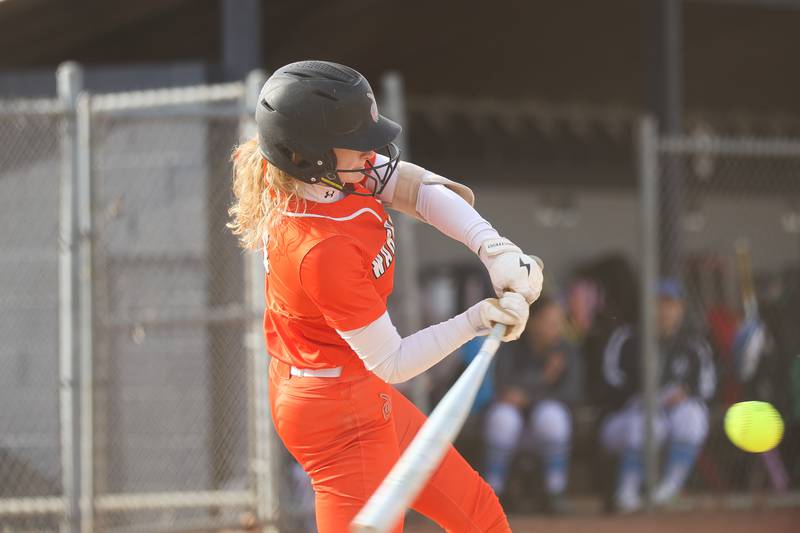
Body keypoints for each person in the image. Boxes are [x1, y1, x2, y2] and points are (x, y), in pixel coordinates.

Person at [227, 61, 543, 532]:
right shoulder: (320, 249)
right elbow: (392, 362)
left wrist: (493, 248)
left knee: (479, 515)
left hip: (353, 385)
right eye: (357, 144)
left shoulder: (331, 177)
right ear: (309, 156)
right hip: (333, 411)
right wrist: (479, 319)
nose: (373, 153)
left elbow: (415, 189)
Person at [600, 279, 716, 512]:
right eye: (658, 304)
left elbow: (707, 389)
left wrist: (683, 394)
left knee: (692, 414)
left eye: (671, 304)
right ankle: (627, 492)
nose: (664, 311)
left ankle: (668, 490)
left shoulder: (693, 344)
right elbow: (611, 386)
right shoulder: (627, 339)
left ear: (681, 308)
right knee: (651, 423)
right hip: (624, 421)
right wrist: (651, 398)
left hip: (671, 419)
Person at [483, 295, 583, 514]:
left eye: (559, 323)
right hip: (513, 432)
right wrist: (543, 378)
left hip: (544, 431)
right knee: (503, 417)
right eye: (550, 322)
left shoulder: (566, 350)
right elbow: (504, 390)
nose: (556, 328)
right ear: (533, 322)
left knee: (552, 416)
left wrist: (529, 395)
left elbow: (571, 394)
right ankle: (494, 492)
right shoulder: (511, 344)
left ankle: (554, 491)